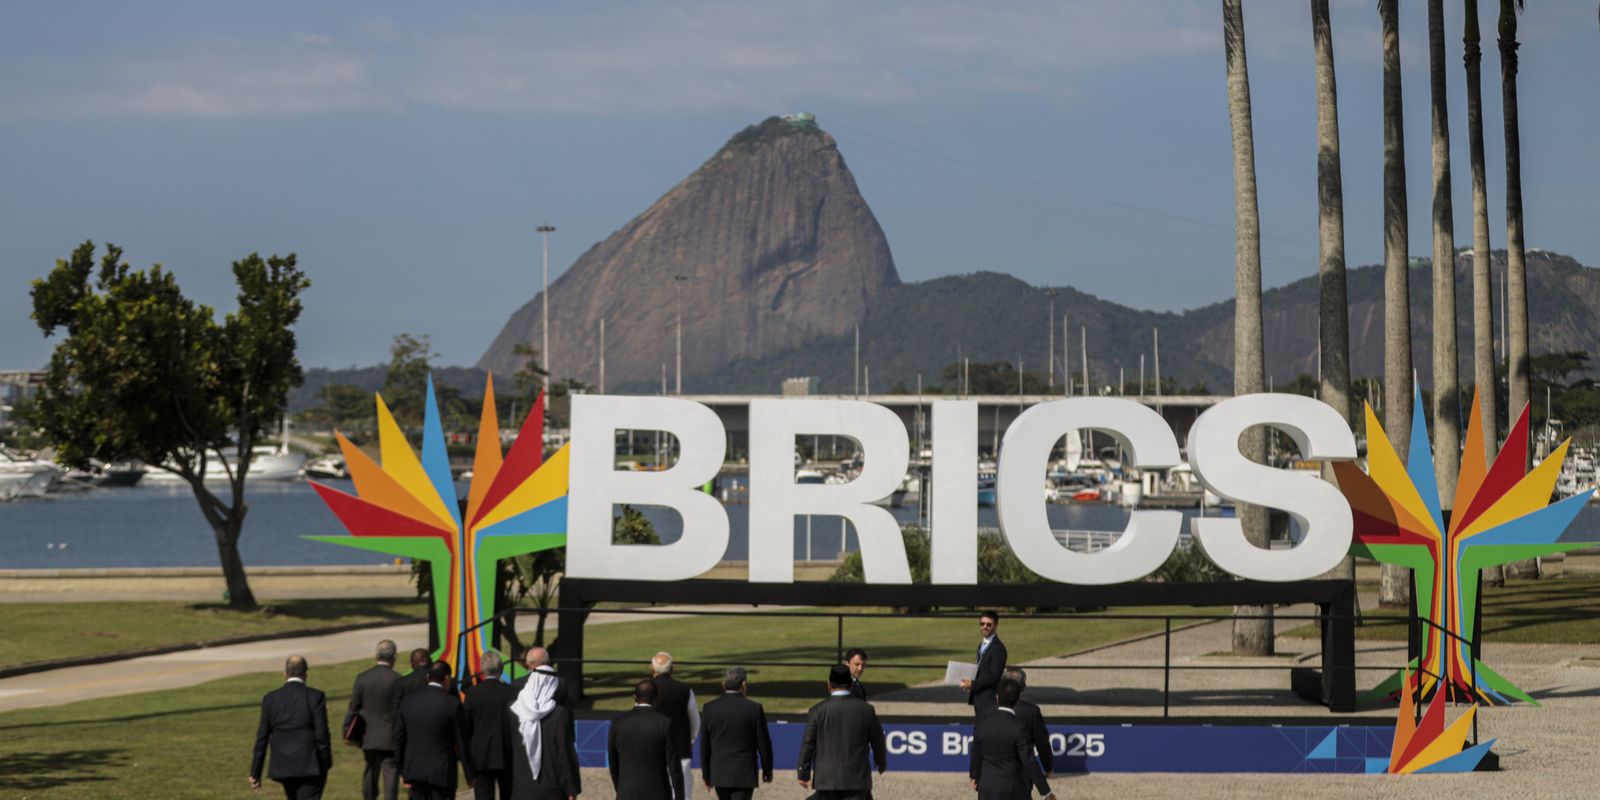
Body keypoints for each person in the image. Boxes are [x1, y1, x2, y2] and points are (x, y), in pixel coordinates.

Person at [797, 665, 887, 800]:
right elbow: (877, 739)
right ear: (851, 685)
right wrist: (880, 762)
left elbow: (808, 743)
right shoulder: (866, 710)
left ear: (829, 685)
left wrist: (803, 772)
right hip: (856, 778)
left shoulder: (817, 711)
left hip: (826, 778)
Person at [249, 655, 333, 800]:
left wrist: (255, 772)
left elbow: (262, 737)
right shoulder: (315, 696)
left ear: (285, 674)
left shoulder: (270, 699)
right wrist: (326, 762)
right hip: (310, 764)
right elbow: (322, 734)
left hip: (283, 765)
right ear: (306, 674)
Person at [395, 661, 474, 800]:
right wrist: (469, 775)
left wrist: (401, 770)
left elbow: (399, 738)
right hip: (442, 774)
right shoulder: (452, 704)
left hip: (415, 772)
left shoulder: (408, 701)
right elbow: (462, 743)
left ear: (428, 677)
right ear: (447, 678)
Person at [508, 660, 582, 799]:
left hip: (521, 789)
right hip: (552, 789)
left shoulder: (514, 710)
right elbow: (564, 754)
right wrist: (572, 789)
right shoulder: (559, 714)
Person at [969, 678, 1053, 800]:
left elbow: (976, 752)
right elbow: (1029, 761)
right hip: (1013, 788)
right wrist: (1046, 792)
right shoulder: (1019, 727)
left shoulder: (982, 724)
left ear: (997, 697)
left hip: (987, 786)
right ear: (1018, 699)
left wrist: (974, 775)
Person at [699, 667, 774, 800]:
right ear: (744, 685)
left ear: (723, 685)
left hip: (720, 772)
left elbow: (705, 746)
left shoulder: (709, 708)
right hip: (744, 772)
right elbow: (763, 744)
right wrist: (767, 770)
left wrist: (706, 774)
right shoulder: (754, 708)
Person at [344, 640, 403, 800]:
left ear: (376, 656)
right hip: (390, 736)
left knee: (370, 770)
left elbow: (353, 707)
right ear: (394, 657)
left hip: (368, 736)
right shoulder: (398, 679)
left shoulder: (363, 678)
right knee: (390, 774)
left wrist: (347, 731)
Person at [608, 679, 685, 800]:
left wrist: (620, 789)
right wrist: (679, 796)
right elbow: (674, 766)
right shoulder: (665, 724)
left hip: (627, 792)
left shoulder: (618, 723)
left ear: (634, 697)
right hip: (658, 793)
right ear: (657, 698)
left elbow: (613, 763)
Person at [463, 652, 518, 799]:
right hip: (507, 753)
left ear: (482, 670)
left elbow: (466, 727)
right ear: (501, 669)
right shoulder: (512, 693)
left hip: (481, 755)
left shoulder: (472, 693)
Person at [650, 651, 701, 798]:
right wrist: (690, 741)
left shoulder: (646, 689)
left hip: (652, 751)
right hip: (680, 751)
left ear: (652, 669)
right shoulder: (685, 690)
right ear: (672, 669)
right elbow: (695, 721)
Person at [1002, 667, 1053, 782]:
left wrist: (975, 772)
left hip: (993, 772)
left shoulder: (988, 707)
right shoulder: (1031, 711)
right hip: (1021, 773)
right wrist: (1048, 767)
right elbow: (1042, 743)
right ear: (1023, 688)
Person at [960, 611, 1007, 717]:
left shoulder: (998, 648)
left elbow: (994, 677)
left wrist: (973, 684)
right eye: (982, 624)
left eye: (989, 624)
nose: (985, 627)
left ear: (996, 625)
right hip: (979, 697)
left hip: (990, 699)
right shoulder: (982, 644)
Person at [392, 648, 432, 719]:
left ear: (412, 664)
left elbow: (396, 711)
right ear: (430, 661)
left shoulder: (402, 682)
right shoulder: (440, 678)